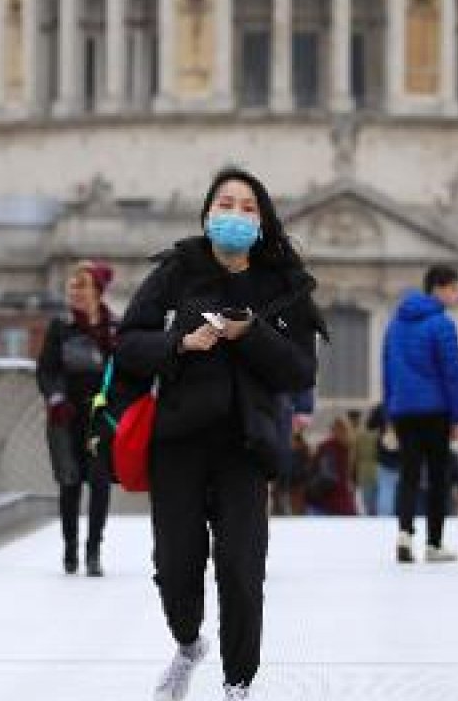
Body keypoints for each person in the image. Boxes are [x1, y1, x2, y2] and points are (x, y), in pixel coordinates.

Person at [117, 166, 325, 701]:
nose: (236, 216)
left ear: (264, 222)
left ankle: (238, 682)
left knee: (241, 568)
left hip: (247, 445)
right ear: (207, 214)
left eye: (248, 207)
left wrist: (249, 334)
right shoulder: (175, 274)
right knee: (175, 566)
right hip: (179, 440)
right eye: (226, 205)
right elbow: (129, 345)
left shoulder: (285, 285)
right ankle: (188, 644)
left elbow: (301, 373)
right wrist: (181, 345)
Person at [35, 259, 117, 577]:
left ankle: (93, 552)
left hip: (99, 418)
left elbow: (123, 375)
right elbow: (46, 370)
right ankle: (70, 550)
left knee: (99, 484)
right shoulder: (60, 328)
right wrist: (55, 398)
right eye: (72, 286)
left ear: (97, 291)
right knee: (69, 483)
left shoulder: (114, 329)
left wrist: (114, 408)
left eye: (82, 285)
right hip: (66, 416)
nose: (75, 292)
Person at [382, 264, 458, 563]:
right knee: (438, 476)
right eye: (455, 288)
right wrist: (457, 417)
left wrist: (389, 411)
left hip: (403, 408)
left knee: (408, 474)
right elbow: (451, 374)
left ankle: (404, 534)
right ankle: (434, 543)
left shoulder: (395, 323)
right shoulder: (442, 324)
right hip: (435, 409)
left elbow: (387, 370)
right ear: (439, 288)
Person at [307, 416, 359, 516]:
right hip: (344, 500)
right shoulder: (351, 447)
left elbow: (313, 467)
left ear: (333, 430)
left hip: (324, 498)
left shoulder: (325, 446)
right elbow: (354, 474)